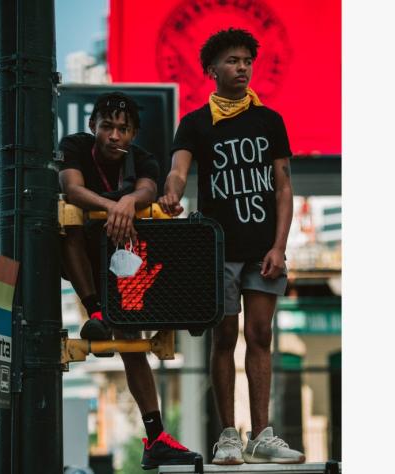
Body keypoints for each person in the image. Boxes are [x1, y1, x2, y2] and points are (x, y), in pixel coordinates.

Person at [158, 29, 305, 465]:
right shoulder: (196, 122)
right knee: (223, 337)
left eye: (247, 61)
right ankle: (228, 436)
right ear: (211, 71)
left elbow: (283, 188)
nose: (242, 68)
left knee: (261, 336)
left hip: (263, 250)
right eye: (232, 61)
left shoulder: (269, 120)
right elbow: (178, 171)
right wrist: (171, 192)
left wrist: (280, 246)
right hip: (217, 250)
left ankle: (262, 434)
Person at [59, 92, 199, 469]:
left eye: (123, 129)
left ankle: (156, 438)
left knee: (133, 344)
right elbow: (72, 187)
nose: (114, 136)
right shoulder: (74, 146)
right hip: (80, 258)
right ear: (93, 128)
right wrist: (116, 206)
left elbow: (149, 189)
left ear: (133, 132)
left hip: (120, 259)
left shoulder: (143, 159)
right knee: (69, 219)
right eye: (107, 127)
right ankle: (95, 311)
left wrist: (129, 203)